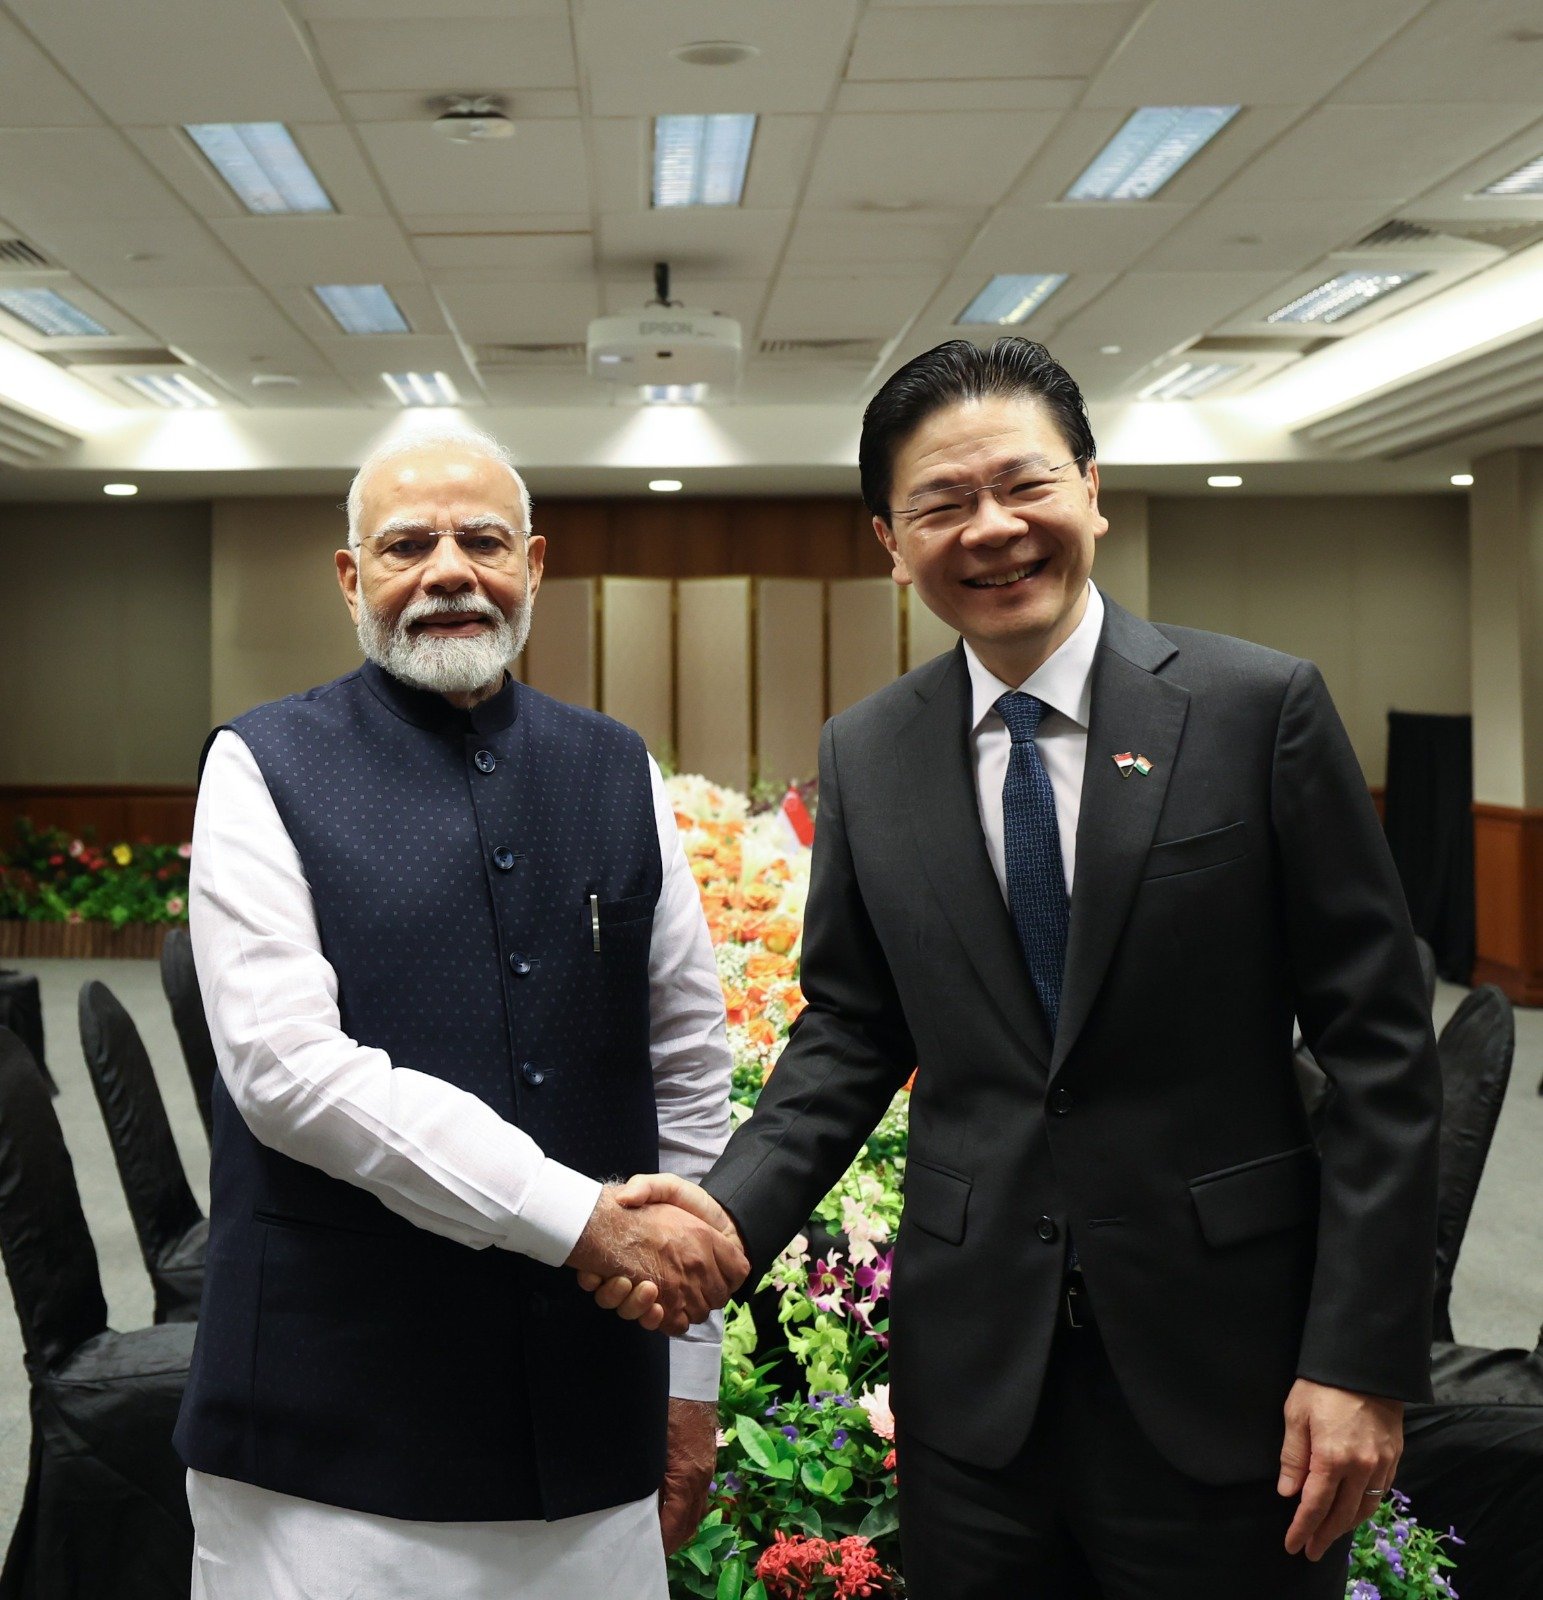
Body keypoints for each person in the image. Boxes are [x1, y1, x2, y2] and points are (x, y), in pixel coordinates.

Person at [586, 339, 1442, 1598]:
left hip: (1230, 1372)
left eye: (1023, 485)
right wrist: (726, 1215)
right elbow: (850, 1030)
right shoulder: (870, 751)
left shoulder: (1258, 710)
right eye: (941, 503)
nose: (990, 529)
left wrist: (1360, 1359)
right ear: (891, 540)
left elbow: (1379, 1054)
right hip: (977, 1384)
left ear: (1090, 489)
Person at [176, 422, 746, 1600]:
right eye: (406, 543)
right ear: (351, 578)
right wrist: (577, 1216)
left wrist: (690, 1377)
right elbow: (287, 1071)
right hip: (325, 1443)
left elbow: (688, 1062)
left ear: (533, 566)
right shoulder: (259, 764)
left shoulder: (614, 766)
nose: (448, 568)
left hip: (591, 1421)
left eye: (482, 539)